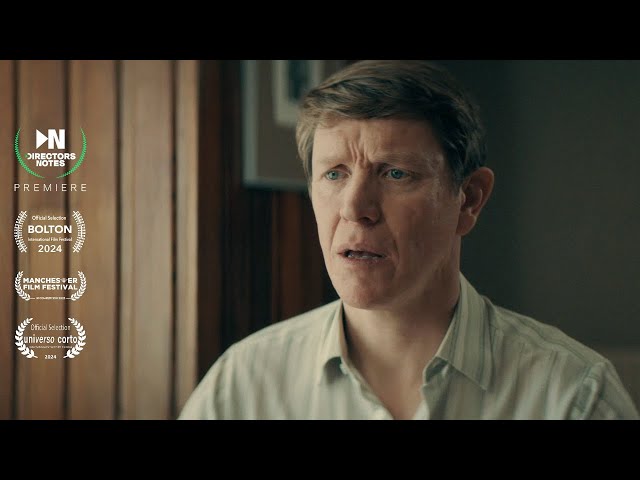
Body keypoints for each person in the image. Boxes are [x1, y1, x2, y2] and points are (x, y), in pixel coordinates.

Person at [179, 60, 639, 420]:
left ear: (469, 199)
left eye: (395, 173)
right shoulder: (241, 388)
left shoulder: (574, 397)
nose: (355, 207)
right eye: (334, 174)